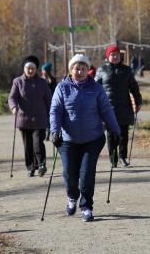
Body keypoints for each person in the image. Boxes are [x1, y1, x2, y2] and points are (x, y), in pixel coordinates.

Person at [50, 53, 120, 222]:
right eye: (76, 68)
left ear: (88, 70)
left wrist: (116, 131)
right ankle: (72, 197)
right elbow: (55, 111)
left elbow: (106, 110)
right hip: (67, 140)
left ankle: (86, 206)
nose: (79, 71)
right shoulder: (62, 88)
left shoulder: (96, 88)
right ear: (70, 70)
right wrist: (55, 131)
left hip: (92, 139)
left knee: (87, 174)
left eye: (83, 68)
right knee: (69, 175)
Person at [95, 45, 142, 167]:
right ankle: (113, 158)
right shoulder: (101, 70)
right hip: (108, 108)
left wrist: (138, 101)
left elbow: (134, 87)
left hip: (124, 107)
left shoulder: (126, 70)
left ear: (120, 56)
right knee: (111, 135)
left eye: (116, 54)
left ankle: (123, 157)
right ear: (108, 56)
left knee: (123, 134)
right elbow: (94, 88)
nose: (115, 56)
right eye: (112, 54)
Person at [8, 55, 52, 177]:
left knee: (38, 142)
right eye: (28, 68)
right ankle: (31, 167)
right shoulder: (18, 82)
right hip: (24, 119)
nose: (30, 70)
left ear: (36, 69)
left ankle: (41, 165)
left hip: (40, 119)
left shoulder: (42, 82)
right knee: (28, 145)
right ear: (24, 68)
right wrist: (13, 107)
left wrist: (52, 114)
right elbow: (12, 97)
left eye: (33, 68)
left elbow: (49, 99)